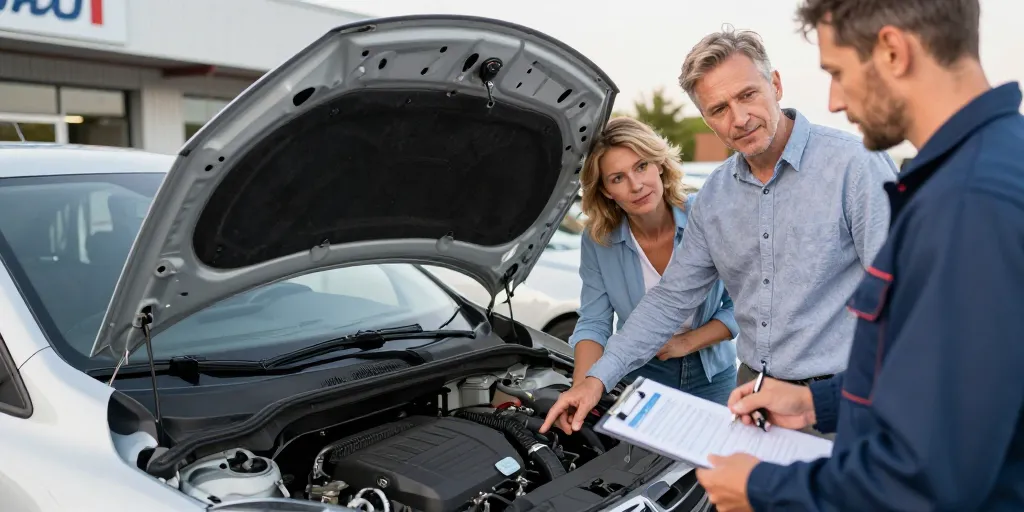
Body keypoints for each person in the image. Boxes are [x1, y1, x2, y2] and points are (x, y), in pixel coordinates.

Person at [694, 1, 1024, 511]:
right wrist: (817, 404)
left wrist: (759, 489)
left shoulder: (968, 202)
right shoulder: (992, 164)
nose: (833, 100)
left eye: (838, 73)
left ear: (893, 51)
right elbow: (943, 385)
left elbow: (929, 480)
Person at [540, 27, 898, 437]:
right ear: (706, 118)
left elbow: (906, 299)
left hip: (844, 400)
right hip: (751, 400)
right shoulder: (714, 198)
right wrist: (595, 380)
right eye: (718, 109)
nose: (739, 119)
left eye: (747, 95)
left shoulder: (855, 166)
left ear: (776, 84)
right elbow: (670, 300)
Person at [568, 116, 739, 405]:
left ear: (659, 164)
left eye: (641, 166)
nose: (636, 185)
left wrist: (687, 342)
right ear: (607, 191)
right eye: (618, 178)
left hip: (712, 374)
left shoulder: (705, 218)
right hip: (638, 371)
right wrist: (582, 387)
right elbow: (594, 322)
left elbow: (742, 305)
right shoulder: (599, 241)